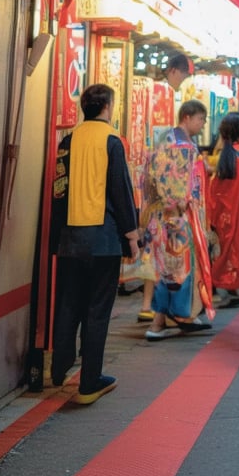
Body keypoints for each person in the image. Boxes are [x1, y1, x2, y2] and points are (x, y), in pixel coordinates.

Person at [50, 84, 140, 404]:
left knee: (68, 304)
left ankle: (58, 369)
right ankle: (89, 382)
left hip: (71, 239)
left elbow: (58, 191)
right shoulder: (112, 141)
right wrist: (132, 235)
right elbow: (121, 190)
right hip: (103, 240)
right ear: (107, 107)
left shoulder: (67, 141)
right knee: (97, 311)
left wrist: (54, 239)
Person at [141, 100, 216, 340]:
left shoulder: (165, 140)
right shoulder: (183, 146)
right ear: (187, 117)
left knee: (168, 269)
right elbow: (182, 184)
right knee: (176, 271)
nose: (202, 124)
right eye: (200, 119)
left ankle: (167, 319)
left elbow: (149, 178)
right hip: (180, 217)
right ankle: (162, 321)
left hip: (162, 217)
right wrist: (182, 203)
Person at [137, 51, 194, 323]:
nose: (181, 82)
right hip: (165, 198)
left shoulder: (164, 98)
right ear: (174, 70)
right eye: (182, 76)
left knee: (156, 255)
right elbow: (165, 160)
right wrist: (175, 197)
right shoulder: (164, 97)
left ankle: (152, 307)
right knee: (162, 256)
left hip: (155, 195)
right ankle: (157, 310)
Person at [208, 113, 239, 305]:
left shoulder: (222, 156)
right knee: (235, 251)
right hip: (238, 213)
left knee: (223, 250)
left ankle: (227, 285)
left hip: (220, 212)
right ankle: (234, 285)